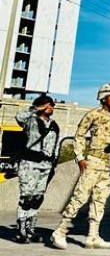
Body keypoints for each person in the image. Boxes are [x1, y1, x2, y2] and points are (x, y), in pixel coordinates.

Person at [51, 83, 110, 250]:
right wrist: (79, 157)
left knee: (100, 200)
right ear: (104, 98)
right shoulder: (93, 115)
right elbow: (79, 135)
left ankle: (93, 237)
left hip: (108, 164)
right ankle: (60, 232)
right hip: (93, 162)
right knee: (80, 197)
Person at [14, 93, 60, 244]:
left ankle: (31, 229)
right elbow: (19, 117)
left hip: (46, 166)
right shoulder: (30, 120)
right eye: (47, 104)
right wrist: (36, 108)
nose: (50, 106)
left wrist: (53, 163)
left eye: (52, 104)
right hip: (29, 163)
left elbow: (55, 146)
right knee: (26, 197)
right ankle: (21, 231)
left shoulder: (54, 125)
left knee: (37, 198)